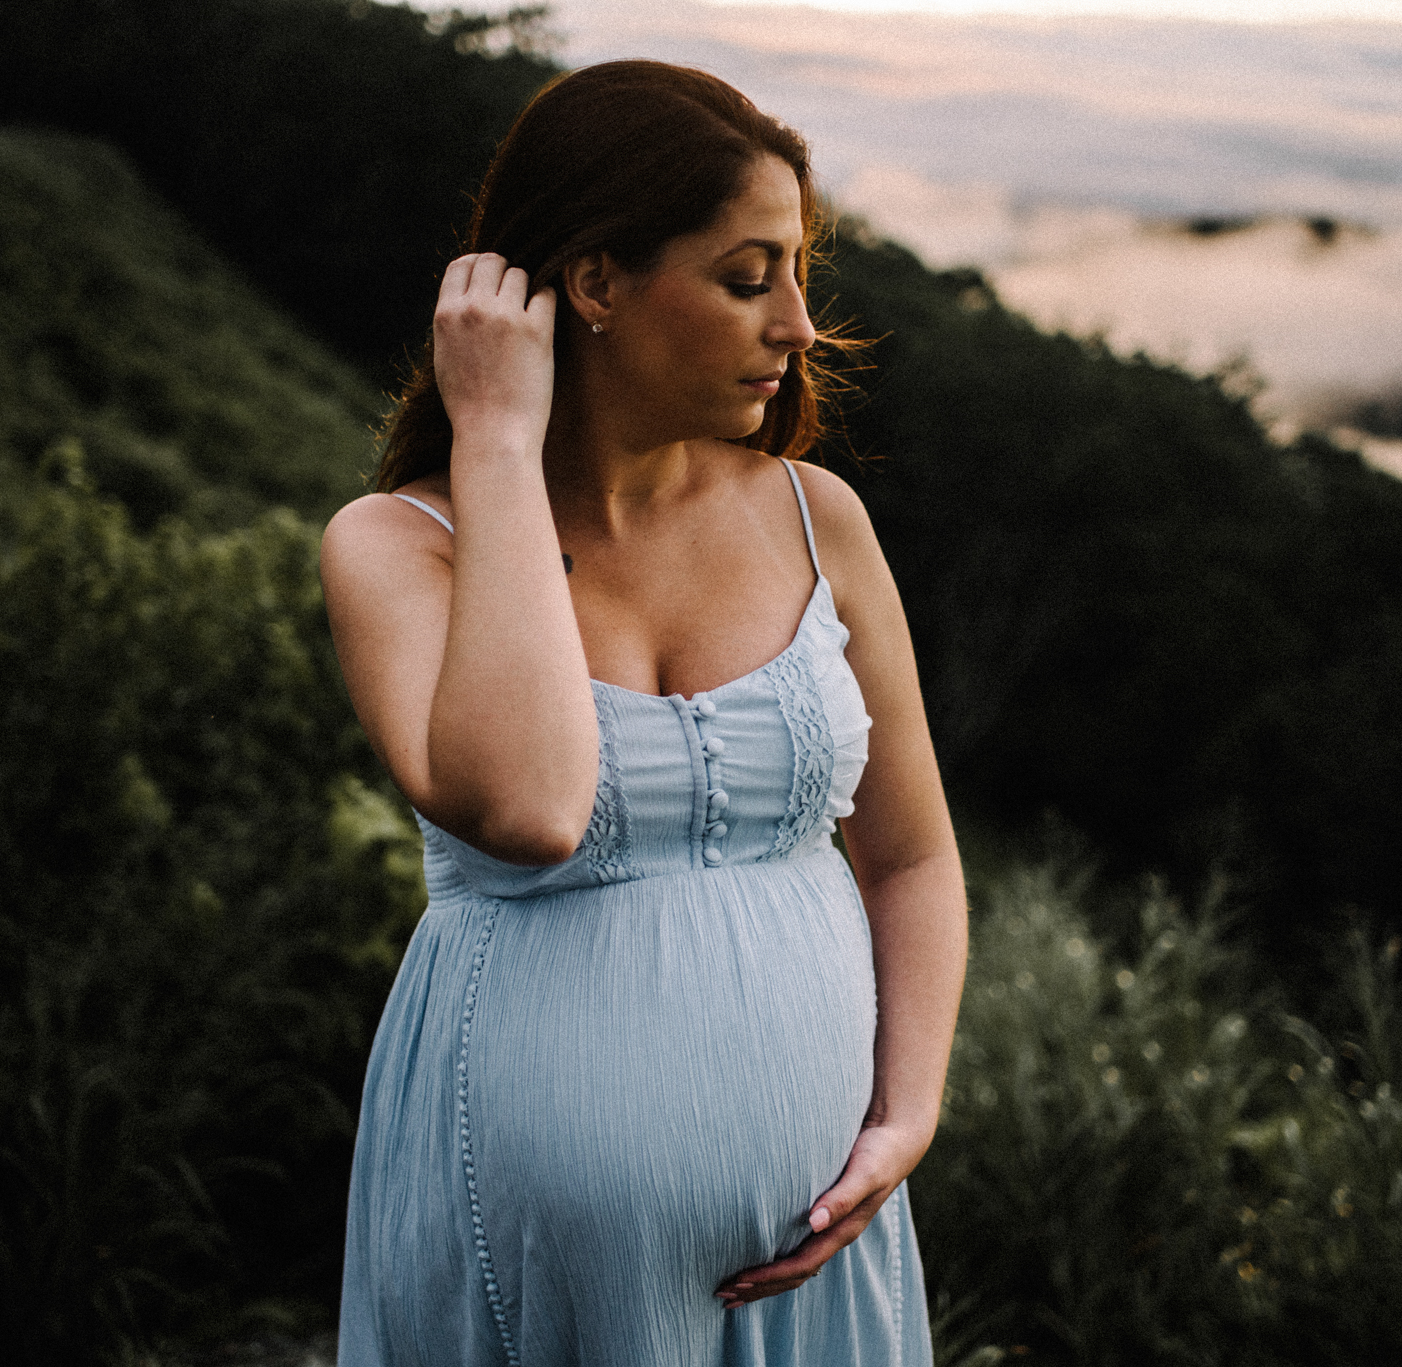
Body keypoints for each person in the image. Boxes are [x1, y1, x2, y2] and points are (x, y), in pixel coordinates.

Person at [322, 60, 967, 1367]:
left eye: (798, 272)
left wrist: (905, 1116)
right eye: (748, 277)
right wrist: (496, 443)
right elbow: (533, 806)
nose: (798, 323)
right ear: (598, 284)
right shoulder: (400, 549)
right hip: (530, 1255)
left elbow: (912, 856)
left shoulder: (818, 517)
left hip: (820, 1269)